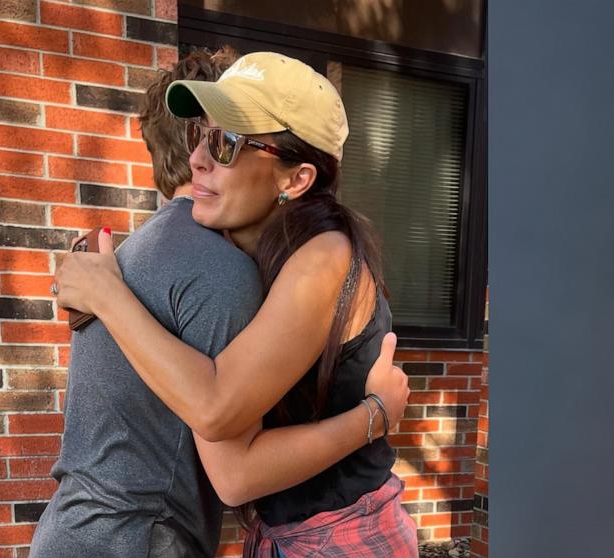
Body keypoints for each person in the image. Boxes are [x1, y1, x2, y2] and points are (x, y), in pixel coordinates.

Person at [31, 48, 411, 558]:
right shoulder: (240, 258)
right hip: (275, 537)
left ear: (296, 179)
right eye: (201, 135)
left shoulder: (324, 257)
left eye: (228, 143)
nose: (198, 160)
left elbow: (221, 430)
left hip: (344, 539)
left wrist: (378, 414)